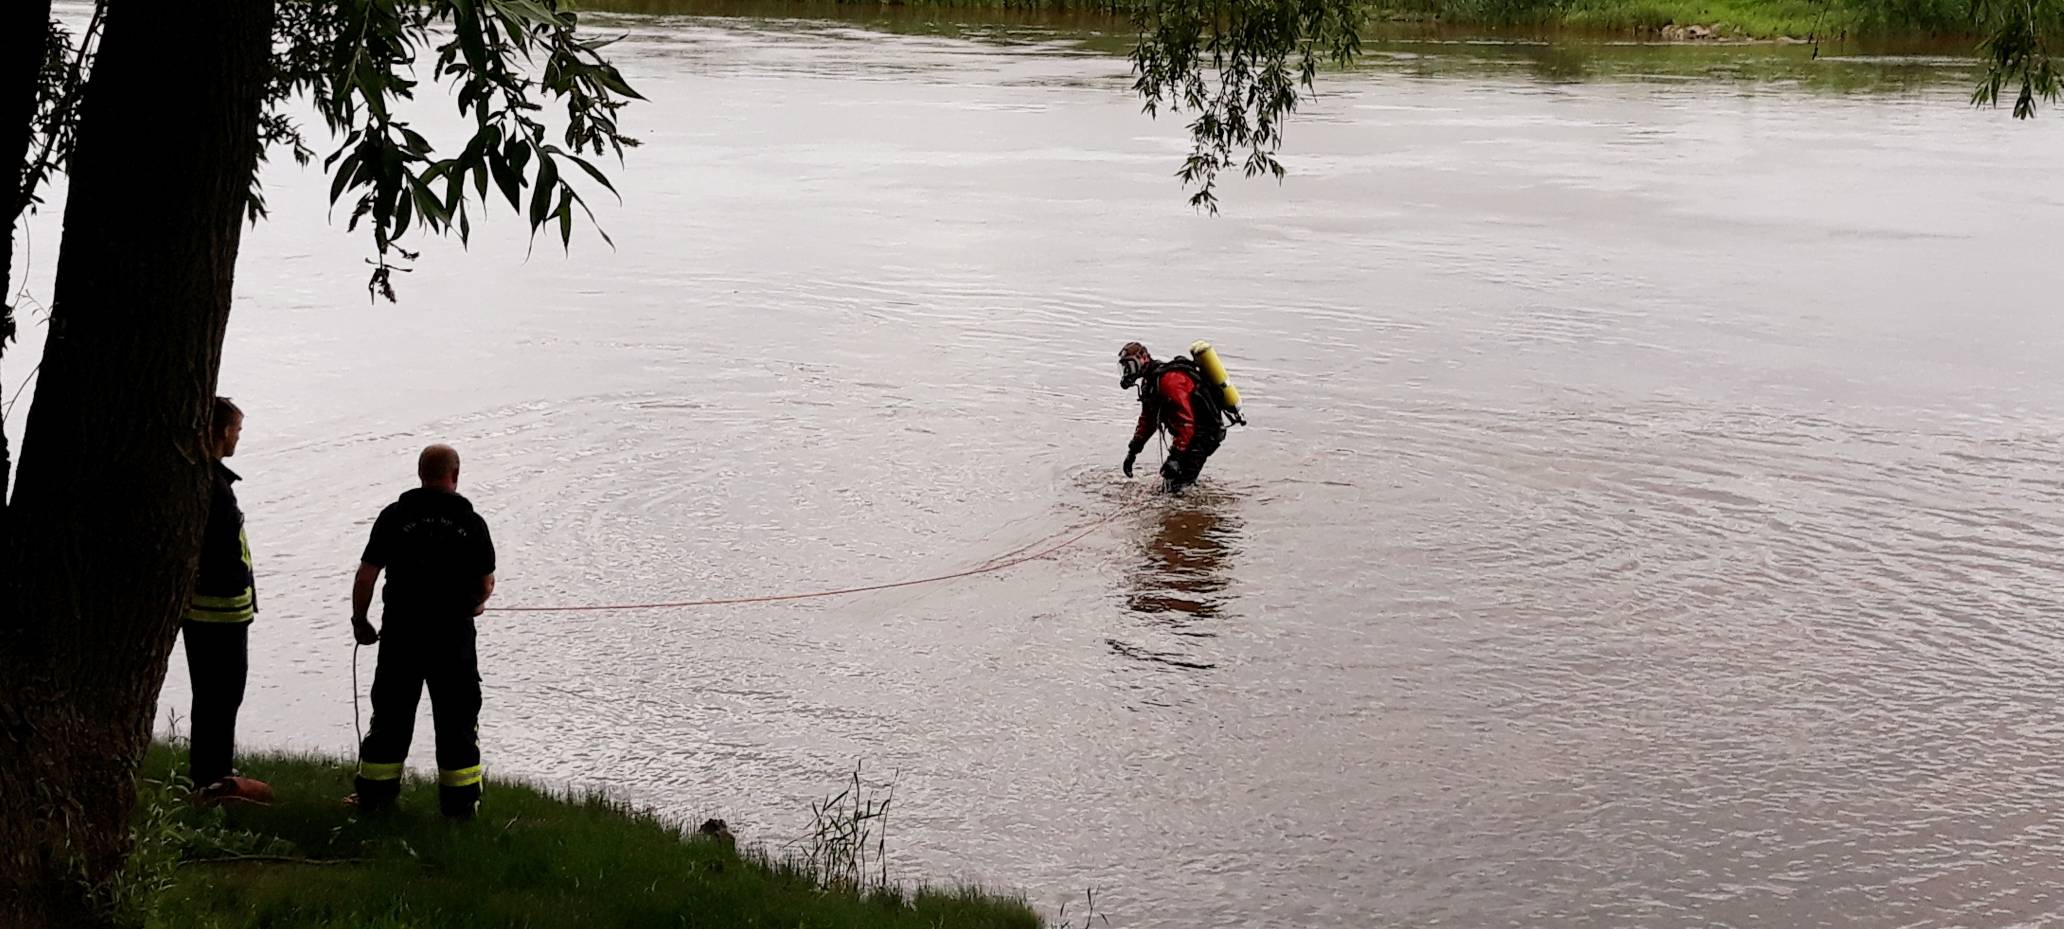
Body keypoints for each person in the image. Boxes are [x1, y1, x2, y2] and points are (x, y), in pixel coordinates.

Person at [349, 444, 497, 819]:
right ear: (456, 475)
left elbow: (367, 575)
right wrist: (476, 604)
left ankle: (376, 800)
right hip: (453, 638)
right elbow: (485, 583)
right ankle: (460, 807)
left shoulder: (395, 516)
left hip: (402, 635)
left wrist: (360, 620)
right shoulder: (471, 522)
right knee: (457, 720)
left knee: (391, 717)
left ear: (420, 474)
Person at [182, 396, 257, 799]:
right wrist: (238, 582)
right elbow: (225, 553)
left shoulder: (199, 481)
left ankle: (210, 770)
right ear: (223, 431)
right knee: (223, 694)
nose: (238, 439)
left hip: (204, 612)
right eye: (237, 431)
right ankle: (213, 778)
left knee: (210, 695)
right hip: (223, 613)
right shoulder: (216, 488)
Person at [1118, 342, 1227, 493]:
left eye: (1129, 365)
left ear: (1143, 359)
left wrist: (1175, 457)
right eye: (1124, 367)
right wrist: (1133, 451)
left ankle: (1193, 506)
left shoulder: (1169, 381)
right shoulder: (1150, 383)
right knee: (1170, 485)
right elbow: (1148, 421)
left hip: (1204, 434)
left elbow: (1186, 423)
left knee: (1178, 489)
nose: (1126, 371)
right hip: (1191, 435)